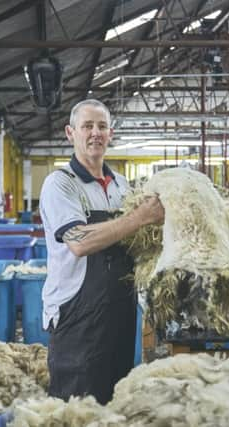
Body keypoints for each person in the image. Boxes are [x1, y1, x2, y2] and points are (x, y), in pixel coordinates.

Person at [39, 99, 165, 404]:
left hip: (120, 311)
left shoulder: (121, 185)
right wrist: (140, 217)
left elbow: (137, 239)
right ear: (71, 133)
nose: (95, 133)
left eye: (102, 126)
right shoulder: (60, 184)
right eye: (87, 126)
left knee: (116, 399)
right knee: (77, 406)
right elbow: (80, 242)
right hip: (77, 315)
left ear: (111, 133)